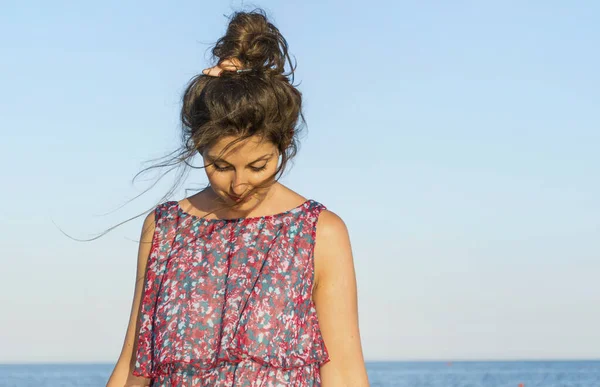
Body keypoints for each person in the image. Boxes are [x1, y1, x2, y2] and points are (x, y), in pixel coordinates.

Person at [107, 9, 369, 387]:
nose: (239, 184)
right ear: (198, 148)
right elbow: (135, 364)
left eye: (259, 166)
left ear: (285, 145)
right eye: (220, 165)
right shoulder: (165, 228)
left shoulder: (319, 232)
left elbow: (344, 373)